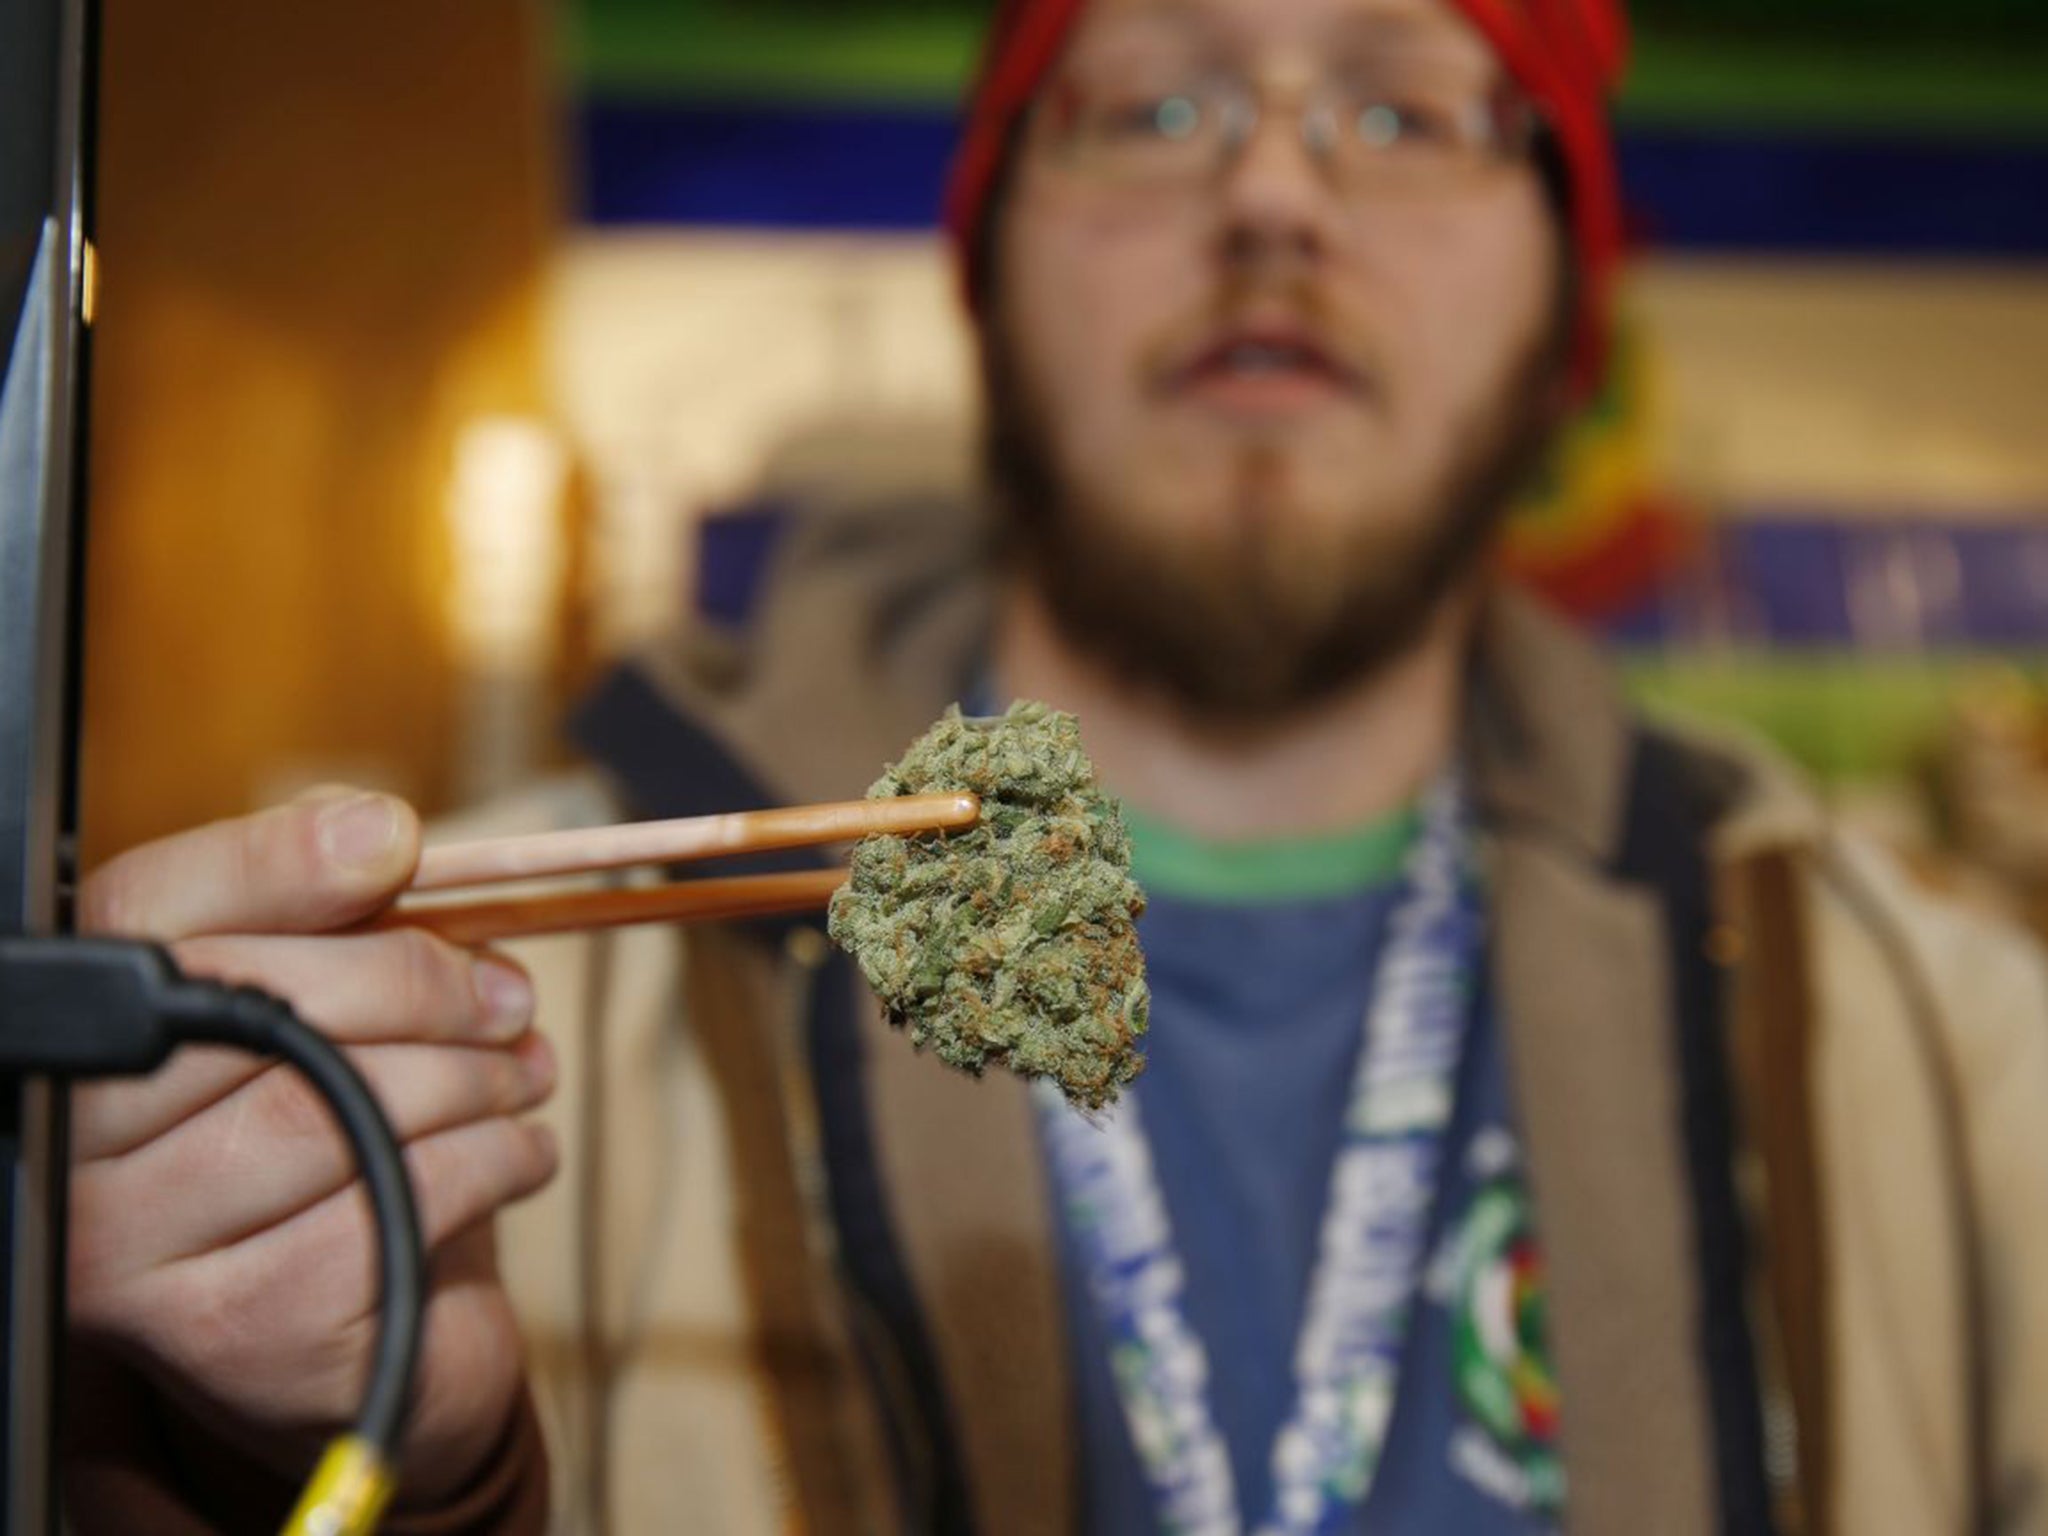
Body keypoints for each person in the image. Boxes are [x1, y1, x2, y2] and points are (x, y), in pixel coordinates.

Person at [61, 0, 2048, 1530]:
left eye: (1399, 106)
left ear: (1561, 313)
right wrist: (262, 1447)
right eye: (1156, 103)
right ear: (987, 270)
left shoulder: (1926, 1039)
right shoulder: (487, 1003)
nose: (1272, 197)